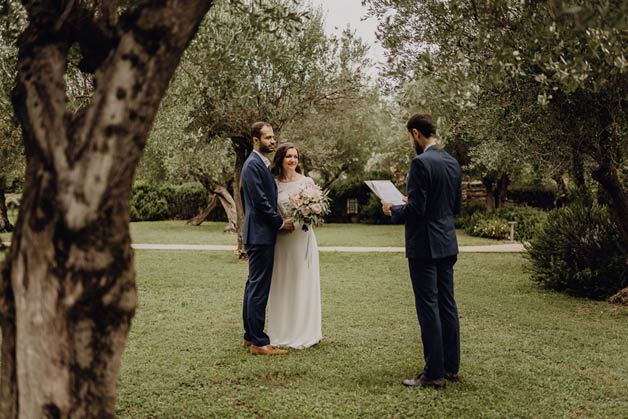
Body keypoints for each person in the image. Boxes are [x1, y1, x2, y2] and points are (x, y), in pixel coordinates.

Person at [381, 113, 462, 389]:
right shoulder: (451, 161)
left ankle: (433, 374)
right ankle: (450, 367)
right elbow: (453, 207)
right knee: (447, 305)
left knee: (428, 307)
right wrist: (412, 201)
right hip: (447, 242)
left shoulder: (420, 163)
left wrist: (393, 209)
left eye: (409, 137)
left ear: (416, 133)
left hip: (424, 246)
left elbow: (417, 210)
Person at [241, 122, 294, 355]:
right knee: (259, 287)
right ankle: (259, 343)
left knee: (253, 285)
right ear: (255, 140)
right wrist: (281, 223)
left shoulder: (260, 163)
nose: (273, 141)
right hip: (260, 234)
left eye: (274, 137)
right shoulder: (252, 164)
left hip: (260, 233)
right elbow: (261, 202)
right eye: (268, 138)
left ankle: (249, 336)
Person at [267, 143, 322, 349]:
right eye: (288, 156)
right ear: (280, 159)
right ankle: (282, 330)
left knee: (302, 282)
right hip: (282, 239)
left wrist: (311, 213)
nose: (292, 160)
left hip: (303, 238)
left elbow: (317, 211)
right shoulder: (274, 184)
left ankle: (305, 331)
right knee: (283, 282)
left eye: (295, 156)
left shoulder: (307, 181)